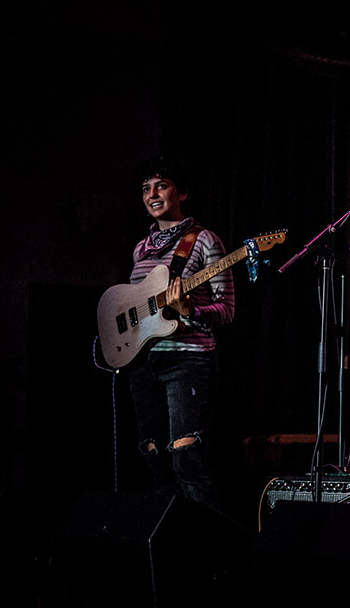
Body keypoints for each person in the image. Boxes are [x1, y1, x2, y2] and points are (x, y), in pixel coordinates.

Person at [124, 156, 234, 510]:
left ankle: (210, 547)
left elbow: (227, 310)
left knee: (187, 460)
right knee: (154, 457)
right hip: (145, 361)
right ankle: (170, 545)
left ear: (181, 193)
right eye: (146, 188)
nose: (152, 194)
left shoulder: (203, 241)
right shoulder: (142, 247)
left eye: (161, 186)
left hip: (187, 362)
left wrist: (192, 311)